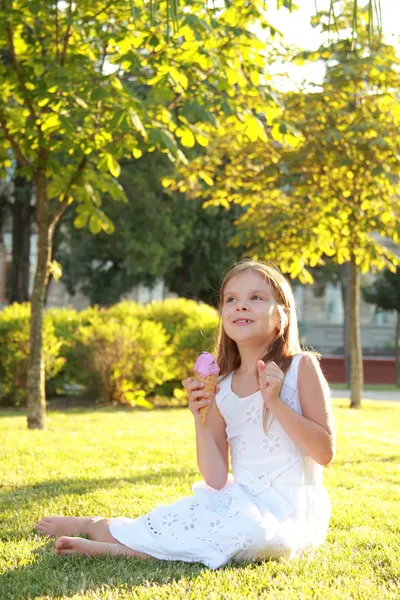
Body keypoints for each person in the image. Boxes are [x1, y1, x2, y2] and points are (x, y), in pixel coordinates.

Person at [35, 259, 335, 569]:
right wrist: (200, 417)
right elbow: (216, 479)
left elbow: (324, 453)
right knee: (175, 522)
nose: (241, 306)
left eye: (256, 298)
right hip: (241, 503)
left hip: (292, 514)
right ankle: (95, 525)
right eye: (231, 299)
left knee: (259, 537)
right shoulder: (222, 387)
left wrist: (275, 403)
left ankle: (113, 549)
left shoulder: (301, 368)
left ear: (282, 316)